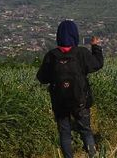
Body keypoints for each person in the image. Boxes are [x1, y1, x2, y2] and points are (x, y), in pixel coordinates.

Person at [36, 20, 104, 158]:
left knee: (65, 133)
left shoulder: (51, 55)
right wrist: (96, 47)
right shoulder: (81, 53)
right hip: (81, 102)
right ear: (75, 35)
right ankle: (92, 155)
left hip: (60, 103)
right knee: (86, 130)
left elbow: (42, 78)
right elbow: (97, 64)